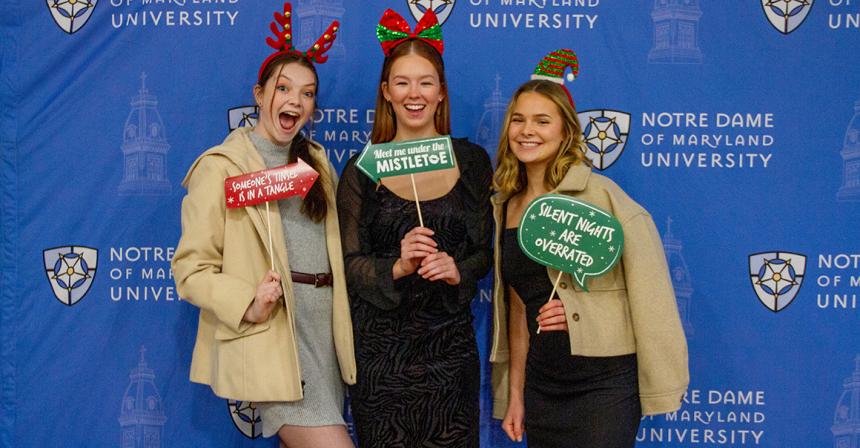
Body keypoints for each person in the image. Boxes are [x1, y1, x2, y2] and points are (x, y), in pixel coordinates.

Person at [171, 4, 355, 447]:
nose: (295, 101)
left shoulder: (318, 162)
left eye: (308, 93)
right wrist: (247, 303)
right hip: (276, 338)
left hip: (323, 335)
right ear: (259, 94)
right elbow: (190, 269)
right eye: (284, 88)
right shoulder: (220, 168)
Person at [489, 74, 689, 446]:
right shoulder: (505, 206)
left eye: (542, 120)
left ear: (566, 131)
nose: (527, 131)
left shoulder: (603, 198)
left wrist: (579, 312)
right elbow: (517, 308)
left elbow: (650, 294)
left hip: (603, 386)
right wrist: (515, 394)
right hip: (543, 386)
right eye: (518, 119)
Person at [336, 8, 492, 448]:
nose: (414, 93)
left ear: (441, 92)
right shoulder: (362, 170)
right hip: (381, 359)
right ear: (386, 92)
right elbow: (349, 265)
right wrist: (398, 266)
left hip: (450, 353)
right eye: (402, 82)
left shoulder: (472, 162)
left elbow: (484, 254)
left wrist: (457, 269)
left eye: (426, 81)